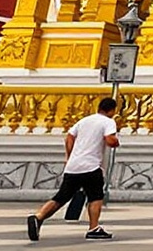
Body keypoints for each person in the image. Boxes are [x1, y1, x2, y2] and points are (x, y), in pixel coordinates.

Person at [29, 96, 120, 241]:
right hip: (91, 166)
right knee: (96, 197)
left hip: (73, 166)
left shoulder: (84, 120)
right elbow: (110, 140)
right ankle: (94, 227)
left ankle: (38, 216)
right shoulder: (108, 122)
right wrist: (115, 142)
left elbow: (69, 137)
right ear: (112, 110)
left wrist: (70, 156)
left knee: (61, 197)